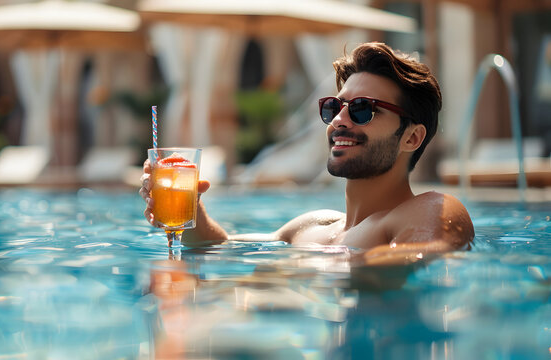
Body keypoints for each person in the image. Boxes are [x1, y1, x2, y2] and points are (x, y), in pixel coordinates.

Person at [140, 42, 474, 266]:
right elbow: (220, 247)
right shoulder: (311, 227)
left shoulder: (428, 210)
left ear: (412, 138)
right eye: (334, 107)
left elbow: (427, 255)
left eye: (362, 110)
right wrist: (191, 211)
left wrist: (303, 270)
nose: (339, 120)